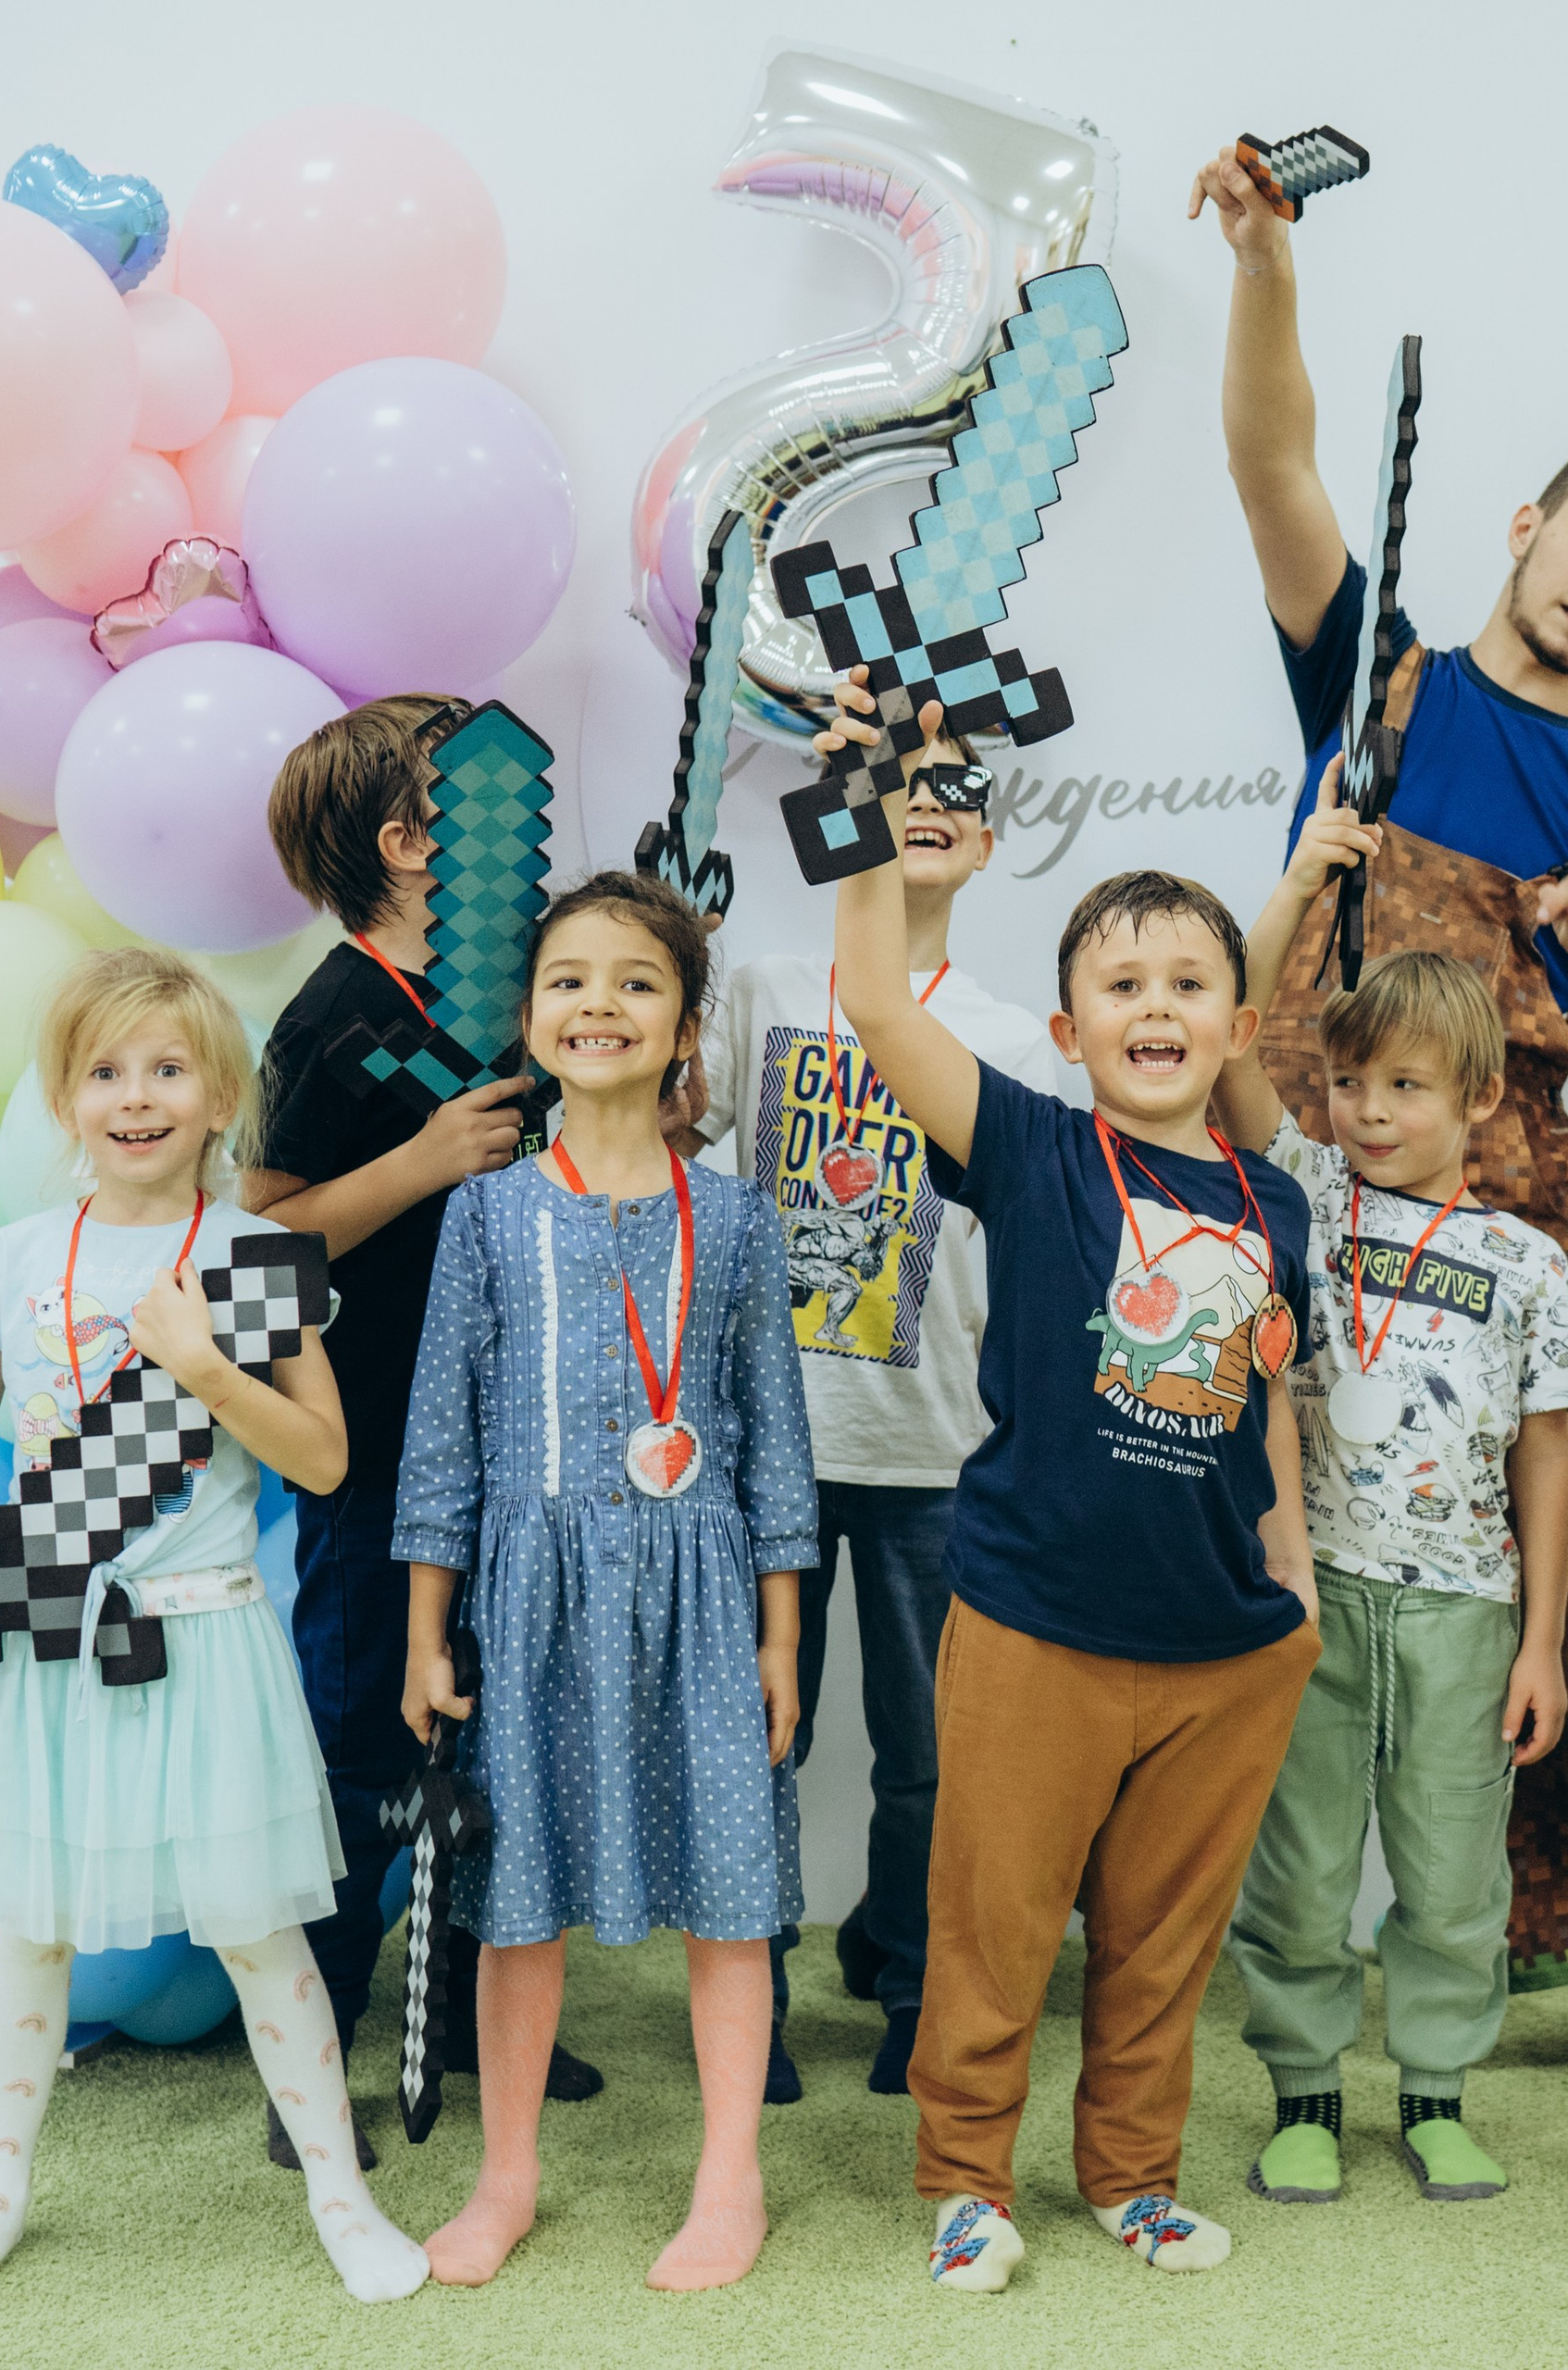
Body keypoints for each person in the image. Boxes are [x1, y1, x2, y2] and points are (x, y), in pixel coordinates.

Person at [1188, 143, 1568, 2075]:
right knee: (1219, 1546)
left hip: (1504, 1243)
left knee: (1567, 1581)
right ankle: (1184, 1941)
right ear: (1524, 525)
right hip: (1288, 1189)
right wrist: (1264, 270)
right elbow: (1276, 473)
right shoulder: (1385, 682)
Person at [823, 695, 1320, 2294]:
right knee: (993, 1922)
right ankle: (968, 2178)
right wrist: (859, 809)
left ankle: (1134, 2176)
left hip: (1223, 1647)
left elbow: (1272, 1402)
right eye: (1124, 985)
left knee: (1165, 1945)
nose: (1157, 1007)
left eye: (1189, 985)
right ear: (1071, 1027)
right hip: (1035, 1619)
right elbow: (880, 1011)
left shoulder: (1276, 1200)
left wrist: (1293, 1592)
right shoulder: (1033, 1148)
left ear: (1237, 1028)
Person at [395, 873, 814, 2292]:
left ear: (687, 1025)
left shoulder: (739, 1218)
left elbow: (775, 1442)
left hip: (700, 1593)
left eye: (636, 981)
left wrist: (781, 1634)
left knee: (731, 1889)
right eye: (569, 979)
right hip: (527, 1599)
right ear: (528, 1019)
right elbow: (440, 1435)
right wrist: (424, 1635)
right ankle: (504, 2177)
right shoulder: (487, 1213)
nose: (599, 1004)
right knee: (515, 1899)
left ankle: (729, 2180)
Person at [0, 948, 428, 2303]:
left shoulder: (253, 1259)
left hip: (208, 1639)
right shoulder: (17, 1258)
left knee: (259, 1935)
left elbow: (321, 1459)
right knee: (27, 1934)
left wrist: (197, 1369)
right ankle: (6, 2182)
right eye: (107, 1072)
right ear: (65, 1095)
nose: (137, 1098)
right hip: (54, 1640)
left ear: (219, 1093)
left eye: (169, 1070)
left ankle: (340, 2196)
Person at [692, 675, 1063, 2103]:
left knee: (929, 1753)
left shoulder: (1022, 1040)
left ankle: (911, 1978)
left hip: (933, 1452)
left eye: (958, 785)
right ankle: (754, 1989)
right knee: (758, 1737)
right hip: (761, 1446)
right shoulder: (767, 993)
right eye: (900, 779)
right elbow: (673, 1124)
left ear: (987, 838)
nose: (928, 799)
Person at [1213, 765, 1568, 2204]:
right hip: (1314, 1592)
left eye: (1405, 1087)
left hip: (1464, 1611)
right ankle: (1304, 2093)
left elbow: (1550, 1450)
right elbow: (1238, 1031)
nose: (1366, 1109)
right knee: (1298, 1867)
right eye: (1353, 1080)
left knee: (1450, 1875)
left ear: (1479, 1099)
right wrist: (1300, 885)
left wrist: (1542, 1637)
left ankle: (1435, 2091)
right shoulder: (1302, 1187)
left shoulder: (1528, 1260)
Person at [248, 696, 603, 2154]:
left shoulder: (518, 999)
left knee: (496, 1729)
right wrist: (422, 1161)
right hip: (377, 1454)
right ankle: (317, 2052)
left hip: (521, 1443)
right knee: (356, 1741)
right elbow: (262, 1241)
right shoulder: (332, 1017)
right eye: (486, 810)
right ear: (407, 843)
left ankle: (462, 2013)